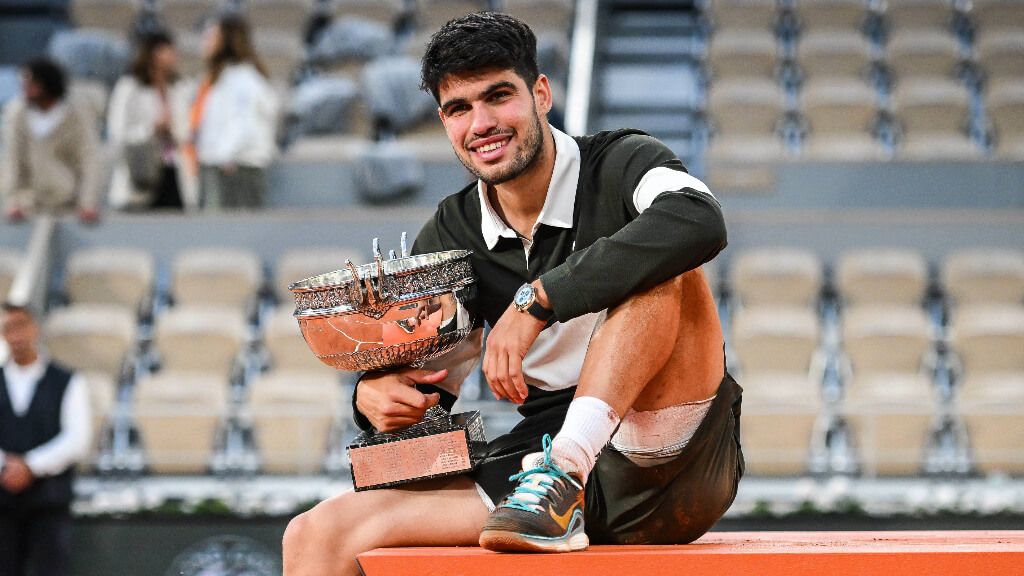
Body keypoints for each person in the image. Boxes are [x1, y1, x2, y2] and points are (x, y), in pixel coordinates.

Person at [282, 12, 742, 575]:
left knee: (664, 261)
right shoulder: (453, 231)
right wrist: (375, 397)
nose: (481, 123)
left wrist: (538, 301)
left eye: (498, 96)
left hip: (668, 459)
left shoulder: (622, 162)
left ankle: (565, 476)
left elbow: (699, 220)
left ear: (541, 93)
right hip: (536, 472)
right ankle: (556, 488)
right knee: (315, 532)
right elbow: (429, 382)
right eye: (459, 109)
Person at [0, 304, 92, 576]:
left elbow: (78, 438)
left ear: (34, 328)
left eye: (21, 326)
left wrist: (31, 466)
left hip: (50, 503)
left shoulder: (68, 380)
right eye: (8, 328)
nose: (16, 336)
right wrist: (6, 466)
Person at [189, 12, 278, 210]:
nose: (204, 42)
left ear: (226, 41)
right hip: (221, 166)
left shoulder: (243, 79)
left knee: (229, 236)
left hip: (235, 170)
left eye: (211, 37)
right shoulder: (221, 78)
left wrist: (224, 155)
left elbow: (244, 124)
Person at [0, 58, 102, 224]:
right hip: (28, 207)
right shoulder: (17, 114)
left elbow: (89, 159)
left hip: (70, 205)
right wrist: (12, 201)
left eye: (30, 83)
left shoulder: (77, 113)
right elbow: (12, 159)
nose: (25, 88)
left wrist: (87, 202)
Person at [107, 30, 198, 211]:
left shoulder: (180, 88)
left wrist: (171, 129)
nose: (174, 56)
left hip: (172, 170)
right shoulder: (130, 87)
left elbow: (187, 130)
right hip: (141, 171)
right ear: (153, 53)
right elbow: (117, 132)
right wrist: (151, 129)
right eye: (168, 51)